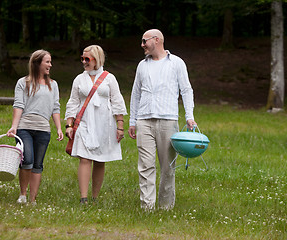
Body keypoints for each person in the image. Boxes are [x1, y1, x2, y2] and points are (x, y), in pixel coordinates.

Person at [128, 29, 197, 211]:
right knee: (145, 166)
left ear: (156, 40)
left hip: (168, 120)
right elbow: (135, 94)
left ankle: (165, 207)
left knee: (168, 168)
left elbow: (187, 90)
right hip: (144, 120)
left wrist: (189, 116)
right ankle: (147, 207)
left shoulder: (176, 63)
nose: (142, 44)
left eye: (144, 41)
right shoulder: (142, 65)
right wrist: (132, 121)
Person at [65, 45, 127, 205]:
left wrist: (120, 126)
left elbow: (117, 100)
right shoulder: (79, 79)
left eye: (88, 59)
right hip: (85, 121)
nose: (84, 62)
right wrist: (69, 124)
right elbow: (73, 101)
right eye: (82, 58)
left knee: (100, 159)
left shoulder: (109, 78)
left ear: (97, 60)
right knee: (84, 158)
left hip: (105, 123)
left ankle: (95, 197)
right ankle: (83, 197)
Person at [7, 49, 64, 205]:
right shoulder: (23, 82)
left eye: (50, 62)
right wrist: (14, 126)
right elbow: (18, 105)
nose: (50, 65)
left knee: (38, 164)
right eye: (47, 62)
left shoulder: (53, 85)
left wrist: (58, 128)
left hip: (43, 129)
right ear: (37, 63)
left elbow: (56, 108)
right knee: (27, 160)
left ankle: (32, 199)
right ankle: (23, 195)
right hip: (24, 127)